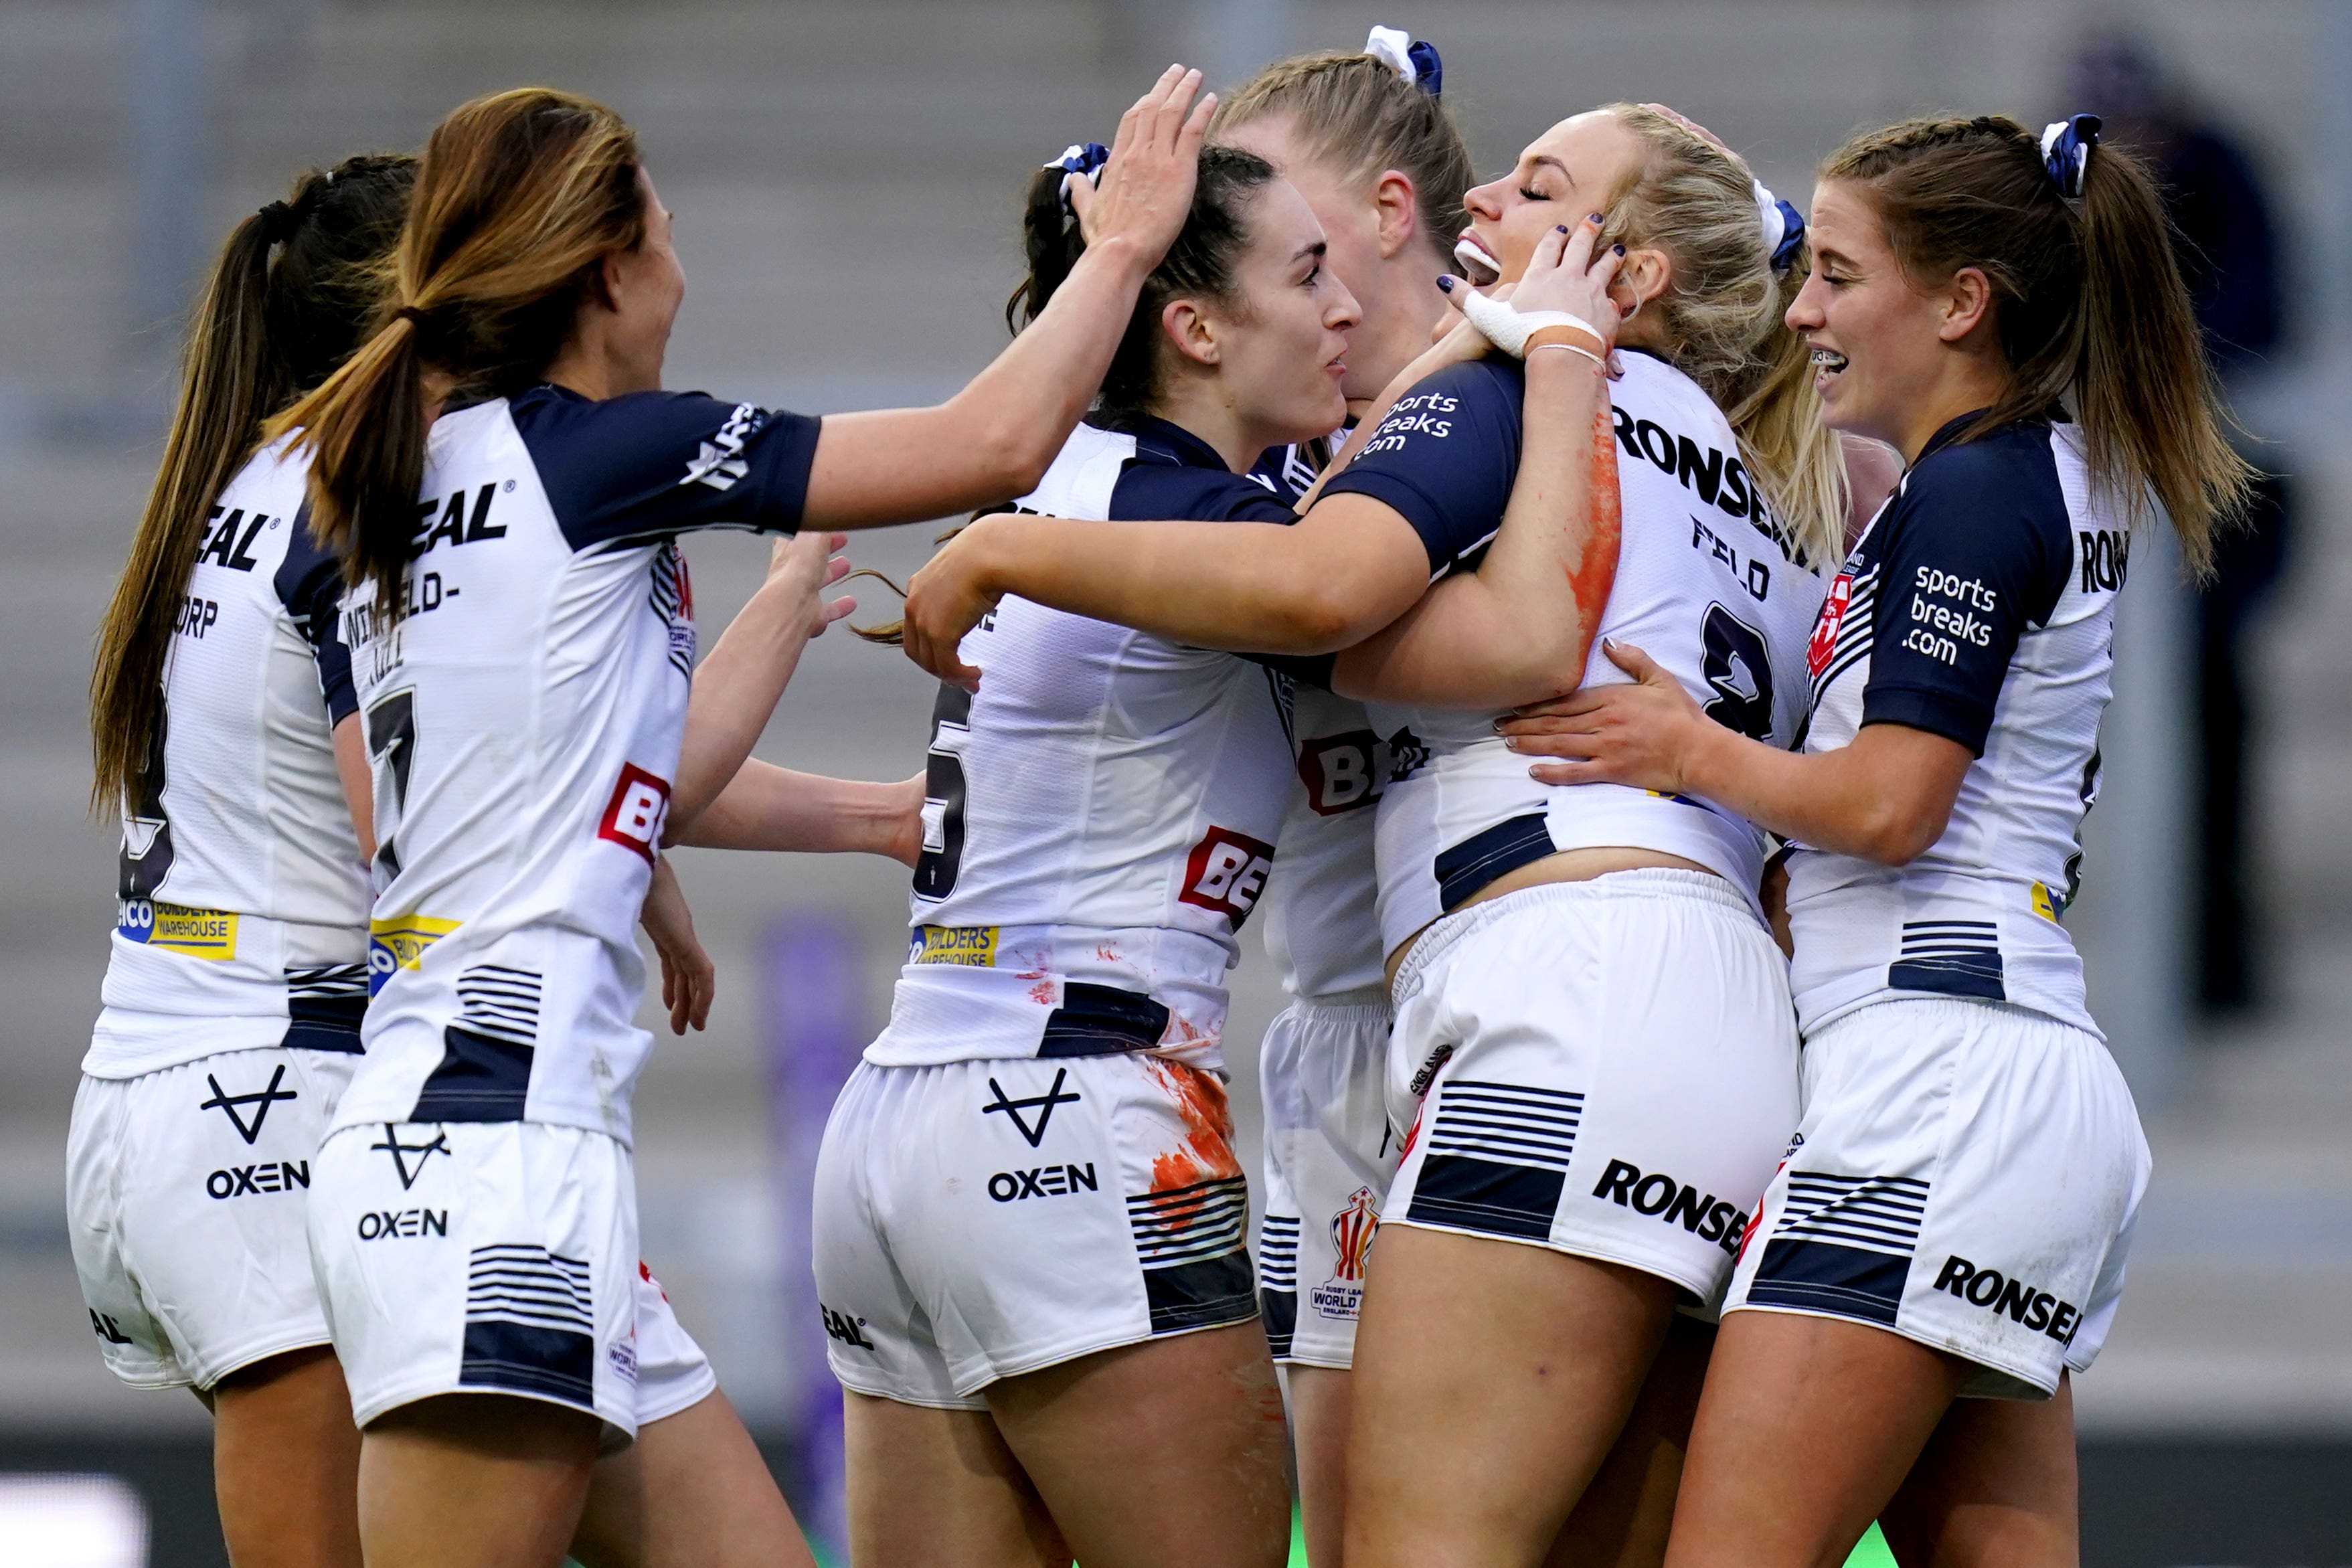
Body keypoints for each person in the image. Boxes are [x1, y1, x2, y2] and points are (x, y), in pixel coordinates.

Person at [265, 74, 1213, 1568]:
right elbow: (993, 442)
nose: (681, 268)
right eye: (664, 233)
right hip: (496, 1157)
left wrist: (847, 784)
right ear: (608, 271)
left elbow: (601, 781)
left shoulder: (388, 499)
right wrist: (1123, 248)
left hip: (460, 1145)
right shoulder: (598, 455)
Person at [898, 101, 1847, 1568]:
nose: (1485, 195)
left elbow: (1329, 595)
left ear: (1629, 272)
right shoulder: (1781, 495)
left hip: (1553, 972)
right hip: (1703, 1002)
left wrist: (1003, 542)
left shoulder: (1511, 386)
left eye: (1535, 185)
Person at [71, 151, 855, 1568]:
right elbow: (431, 819)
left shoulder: (254, 478)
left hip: (231, 1089)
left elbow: (506, 772)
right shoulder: (370, 495)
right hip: (289, 1093)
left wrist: (821, 832)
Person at [1498, 113, 2254, 1567]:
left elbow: (1896, 802)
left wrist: (1689, 750)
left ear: (1959, 302)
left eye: (1837, 275)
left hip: (1932, 1075)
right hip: (2009, 1057)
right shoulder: (2029, 470)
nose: (1801, 311)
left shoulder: (1969, 491)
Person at [813, 140, 1359, 1568]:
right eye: (1307, 275)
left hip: (890, 1129)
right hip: (1083, 1113)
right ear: (1191, 328)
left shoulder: (1053, 479)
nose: (1344, 310)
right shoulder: (1203, 527)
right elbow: (1363, 595)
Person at [1205, 28, 1473, 1565]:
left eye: (1299, 240)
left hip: (1507, 1022)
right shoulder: (1265, 459)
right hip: (1327, 1026)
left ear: (1383, 215)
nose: (1279, 284)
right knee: (1354, 1523)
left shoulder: (1516, 407)